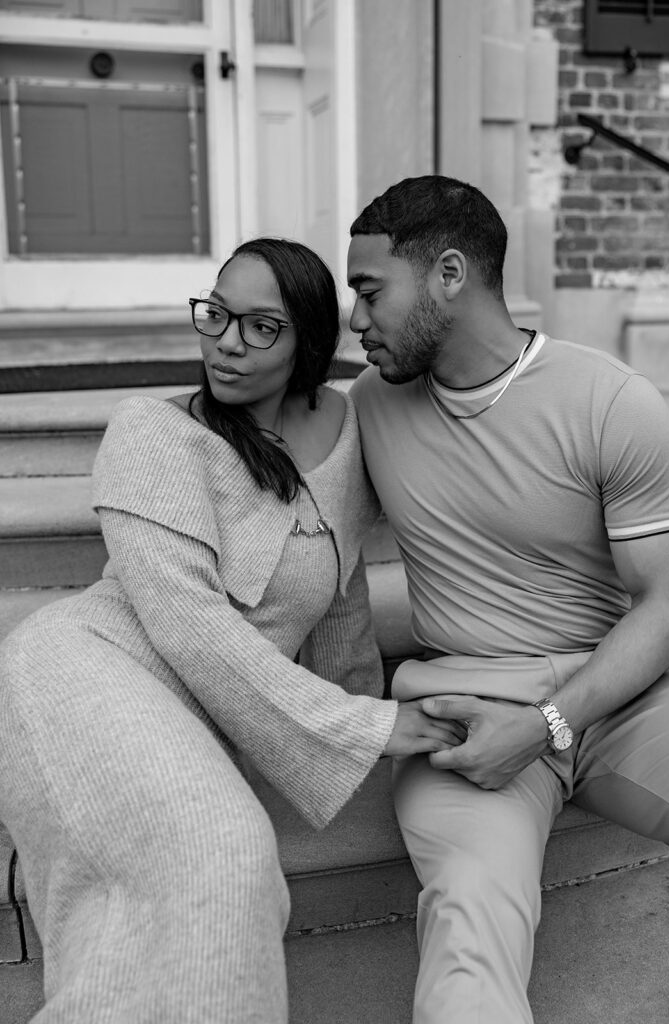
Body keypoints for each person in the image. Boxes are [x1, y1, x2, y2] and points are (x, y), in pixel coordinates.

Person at [0, 237, 459, 1023]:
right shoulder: (153, 433)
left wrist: (363, 715)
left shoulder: (343, 432)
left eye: (259, 326)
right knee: (223, 852)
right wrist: (367, 727)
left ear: (309, 340)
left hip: (199, 719)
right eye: (215, 314)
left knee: (192, 888)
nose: (225, 343)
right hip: (85, 669)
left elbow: (342, 604)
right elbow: (188, 627)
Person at [347, 175, 669, 1024]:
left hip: (619, 698)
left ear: (449, 274)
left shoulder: (611, 403)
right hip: (460, 716)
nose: (355, 321)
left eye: (369, 291)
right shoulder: (368, 407)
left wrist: (545, 726)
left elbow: (667, 605)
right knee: (470, 933)